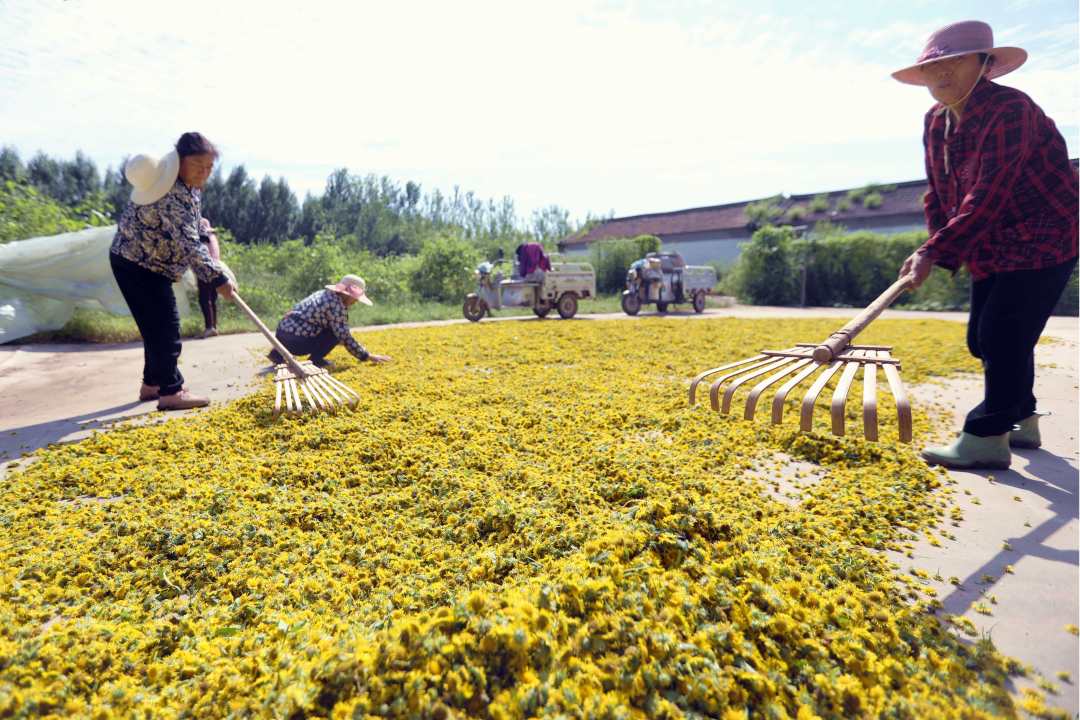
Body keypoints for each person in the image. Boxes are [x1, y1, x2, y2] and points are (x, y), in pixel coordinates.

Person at [892, 21, 1078, 469]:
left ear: (986, 65)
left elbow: (988, 192)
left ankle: (988, 434)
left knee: (1002, 333)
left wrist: (934, 251)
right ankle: (1023, 419)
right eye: (934, 66)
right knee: (985, 338)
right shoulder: (935, 122)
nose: (943, 75)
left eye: (956, 62)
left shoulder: (1010, 110)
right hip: (990, 240)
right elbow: (938, 191)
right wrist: (931, 247)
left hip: (1046, 234)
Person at [110, 132, 238, 411]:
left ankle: (152, 384)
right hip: (138, 264)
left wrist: (201, 226)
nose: (203, 173)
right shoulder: (169, 192)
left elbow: (190, 225)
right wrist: (217, 278)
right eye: (197, 166)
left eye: (209, 168)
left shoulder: (189, 186)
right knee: (166, 327)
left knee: (154, 327)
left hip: (142, 261)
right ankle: (171, 390)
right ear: (179, 162)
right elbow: (189, 244)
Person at [267, 275, 391, 369]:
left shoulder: (323, 294)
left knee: (334, 331)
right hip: (298, 342)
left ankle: (278, 352)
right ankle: (315, 360)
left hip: (281, 334)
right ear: (348, 295)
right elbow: (344, 337)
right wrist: (367, 356)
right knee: (335, 334)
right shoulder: (337, 306)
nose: (356, 302)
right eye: (355, 299)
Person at [196, 217, 222, 338]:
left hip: (206, 269)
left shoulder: (203, 238)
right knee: (212, 298)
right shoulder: (213, 238)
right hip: (216, 268)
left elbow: (202, 255)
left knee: (204, 298)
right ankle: (214, 326)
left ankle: (210, 327)